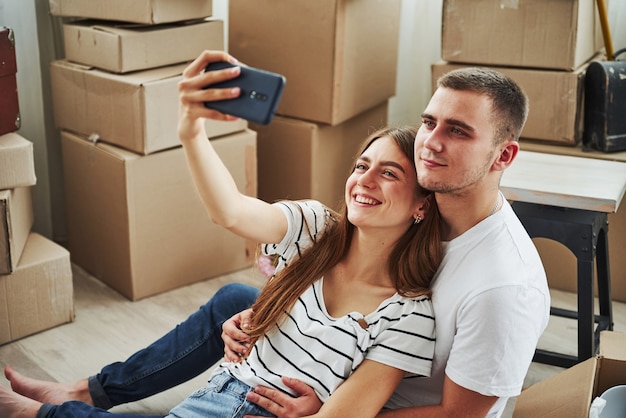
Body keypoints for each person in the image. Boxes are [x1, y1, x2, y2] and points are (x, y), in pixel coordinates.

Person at [3, 57, 551, 418]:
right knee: (239, 302)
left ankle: (42, 412)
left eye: (458, 131)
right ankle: (87, 391)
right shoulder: (369, 224)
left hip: (365, 398)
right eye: (430, 122)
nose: (432, 142)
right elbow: (234, 212)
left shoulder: (498, 285)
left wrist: (330, 407)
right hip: (314, 371)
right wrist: (191, 130)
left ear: (502, 156)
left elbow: (461, 416)